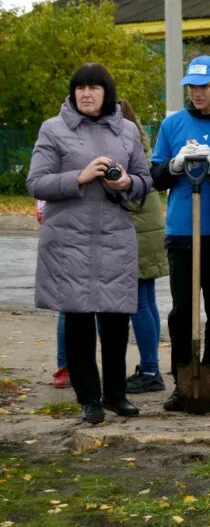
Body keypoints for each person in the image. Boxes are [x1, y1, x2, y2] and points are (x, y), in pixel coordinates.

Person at [28, 63, 152, 424]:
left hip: (114, 237)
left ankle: (116, 395)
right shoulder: (53, 129)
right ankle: (89, 399)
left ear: (106, 92)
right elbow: (36, 182)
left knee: (115, 323)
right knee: (79, 321)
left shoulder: (127, 130)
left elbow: (145, 180)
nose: (86, 93)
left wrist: (127, 183)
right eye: (79, 88)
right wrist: (78, 178)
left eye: (94, 87)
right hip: (69, 240)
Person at [150, 56, 210, 414]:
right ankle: (181, 378)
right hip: (181, 231)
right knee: (181, 312)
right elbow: (156, 177)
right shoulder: (172, 124)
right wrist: (174, 165)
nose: (197, 93)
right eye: (192, 87)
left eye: (204, 87)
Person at [119, 99, 169, 396]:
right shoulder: (141, 143)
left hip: (135, 234)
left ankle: (150, 369)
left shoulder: (125, 149)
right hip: (148, 233)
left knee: (138, 303)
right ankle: (150, 367)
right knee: (146, 301)